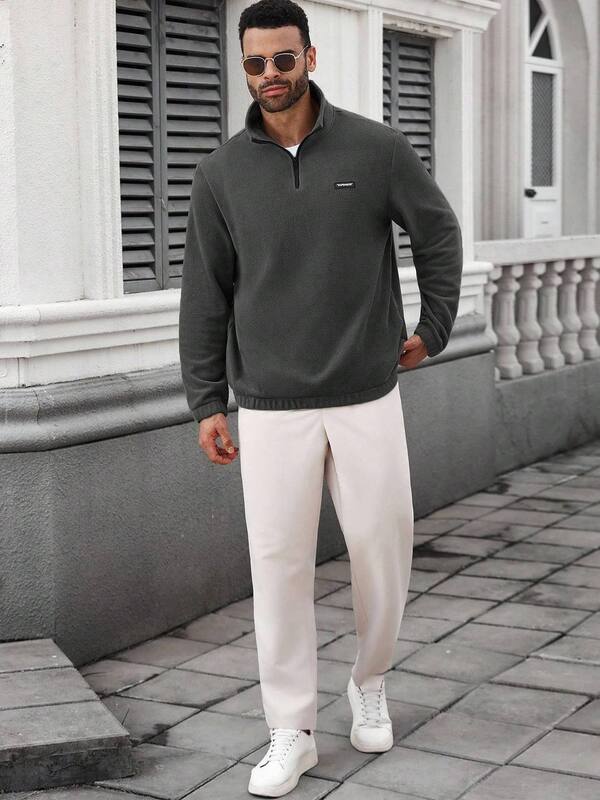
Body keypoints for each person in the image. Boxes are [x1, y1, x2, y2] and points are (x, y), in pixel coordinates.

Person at [178, 0, 463, 795]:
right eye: (255, 62)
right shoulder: (220, 174)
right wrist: (207, 400)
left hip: (366, 392)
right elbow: (205, 295)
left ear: (310, 56)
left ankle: (369, 680)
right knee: (277, 568)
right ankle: (291, 728)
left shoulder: (376, 149)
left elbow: (437, 232)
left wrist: (434, 327)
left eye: (283, 58)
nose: (270, 74)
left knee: (382, 551)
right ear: (244, 67)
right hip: (269, 404)